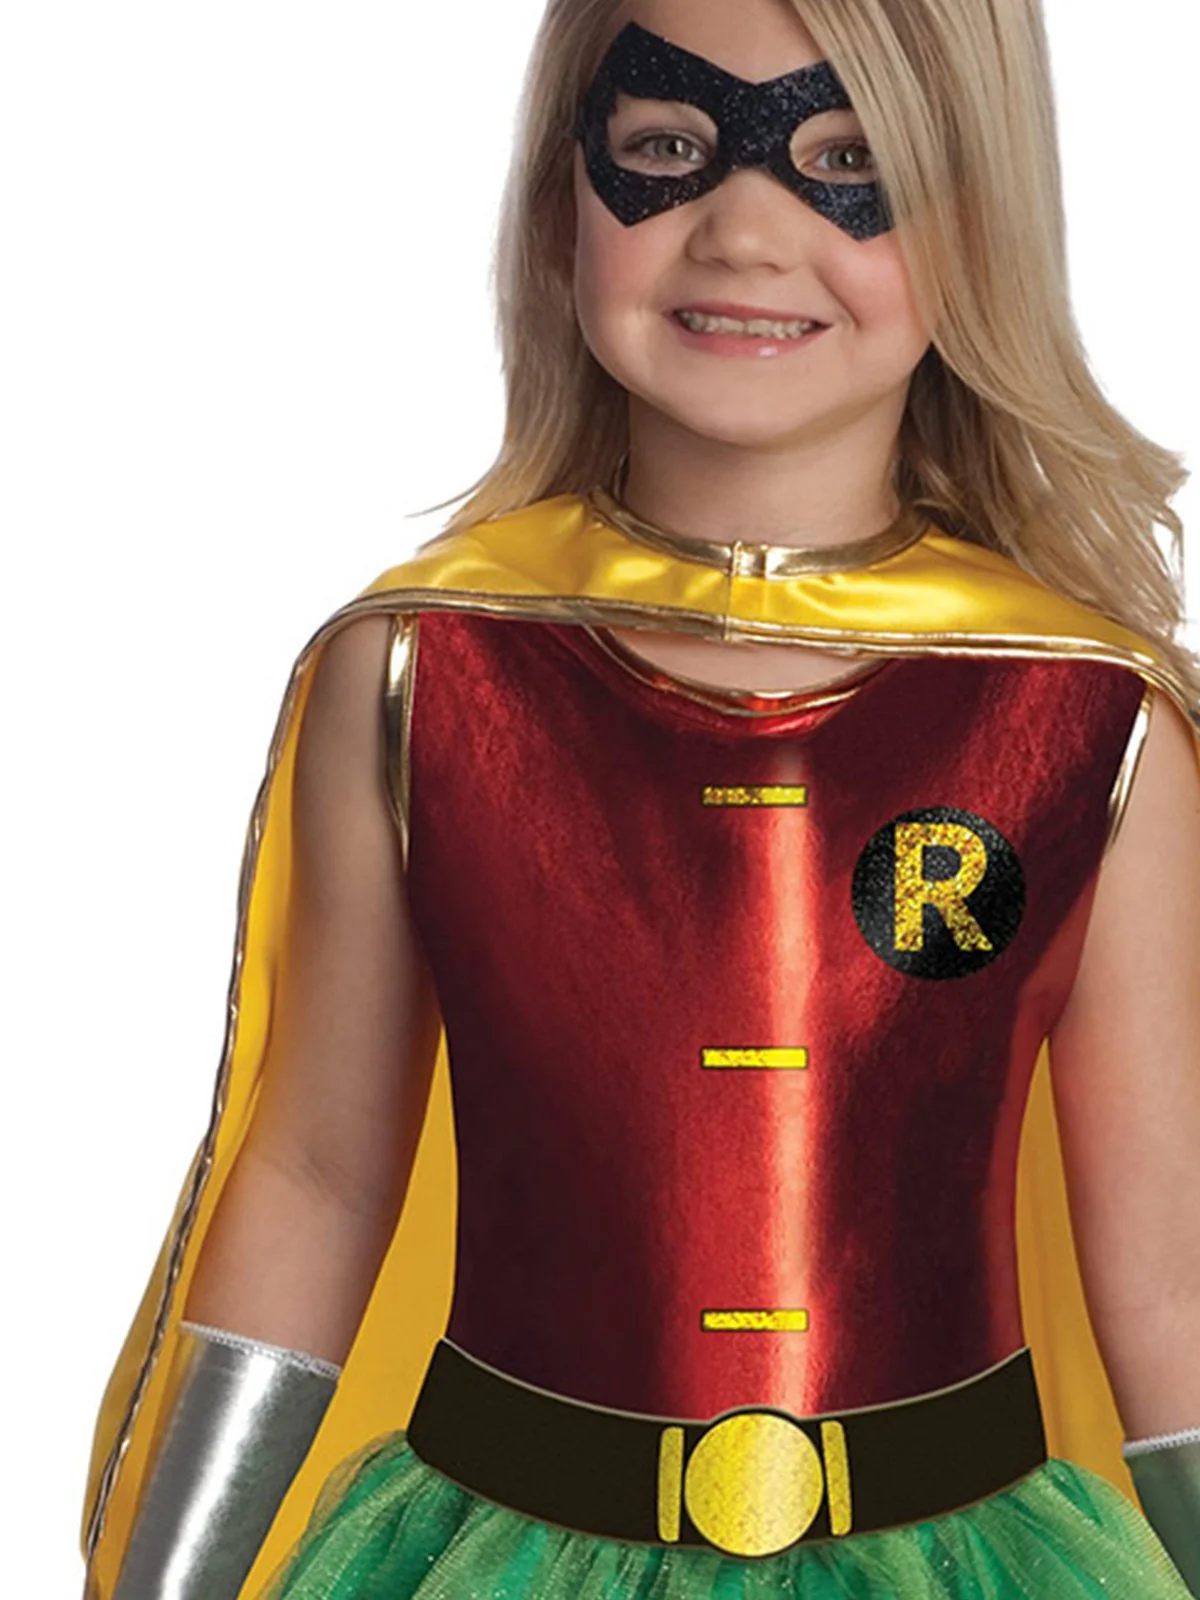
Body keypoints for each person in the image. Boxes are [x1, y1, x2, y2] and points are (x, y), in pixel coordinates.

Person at [82, 0, 1200, 1595]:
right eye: (667, 146)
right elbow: (318, 1177)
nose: (745, 231)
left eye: (849, 163)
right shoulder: (420, 674)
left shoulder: (1087, 717)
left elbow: (1169, 1270)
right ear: (562, 199)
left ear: (980, 217)